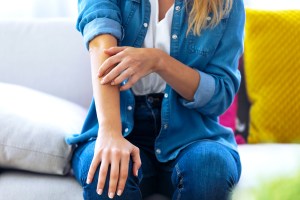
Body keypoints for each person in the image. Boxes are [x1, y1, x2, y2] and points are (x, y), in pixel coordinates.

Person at [66, 0, 245, 199]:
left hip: (193, 134)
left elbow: (221, 95)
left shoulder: (228, 4)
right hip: (119, 125)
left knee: (209, 169)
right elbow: (102, 49)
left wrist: (159, 61)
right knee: (106, 171)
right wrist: (110, 133)